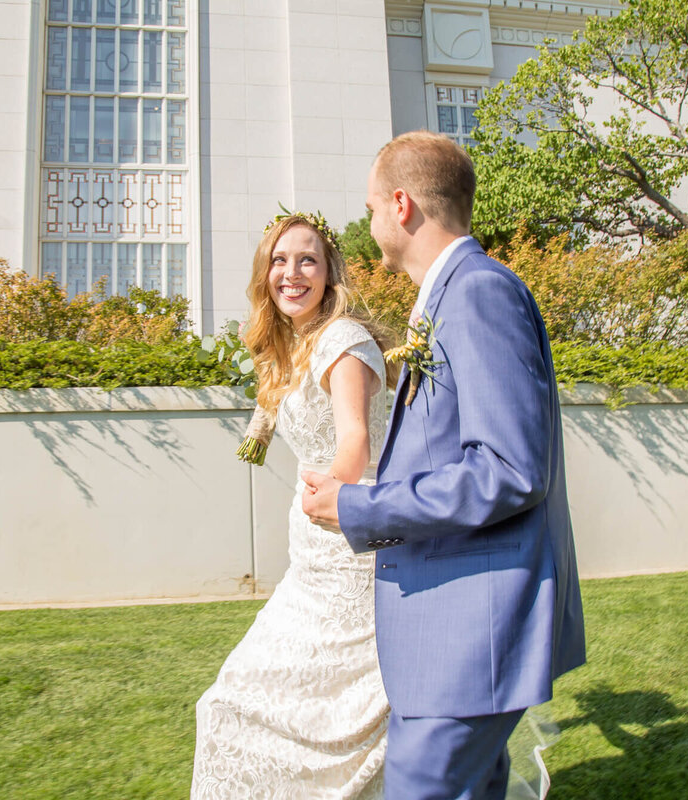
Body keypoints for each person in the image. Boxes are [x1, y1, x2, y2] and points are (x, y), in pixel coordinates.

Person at [302, 131, 587, 800]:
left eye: (371, 207)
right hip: (453, 638)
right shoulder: (451, 293)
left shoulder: (478, 291)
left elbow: (510, 470)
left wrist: (356, 508)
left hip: (469, 638)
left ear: (401, 205)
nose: (369, 224)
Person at [191, 212, 392, 799]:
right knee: (243, 702)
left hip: (355, 550)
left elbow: (354, 439)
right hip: (311, 556)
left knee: (301, 714)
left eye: (307, 259)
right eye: (280, 260)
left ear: (329, 271)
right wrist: (255, 435)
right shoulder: (290, 344)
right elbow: (274, 395)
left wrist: (333, 490)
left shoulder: (344, 341)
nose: (292, 272)